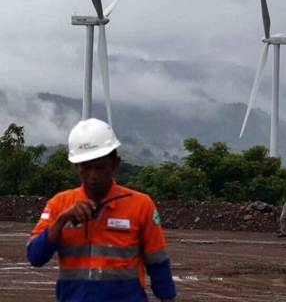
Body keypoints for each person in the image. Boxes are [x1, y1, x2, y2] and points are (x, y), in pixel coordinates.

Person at [26, 118, 176, 302]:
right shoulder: (59, 204)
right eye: (85, 168)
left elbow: (158, 263)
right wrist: (61, 220)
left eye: (100, 167)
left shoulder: (141, 205)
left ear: (115, 164)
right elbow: (35, 257)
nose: (93, 176)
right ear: (76, 167)